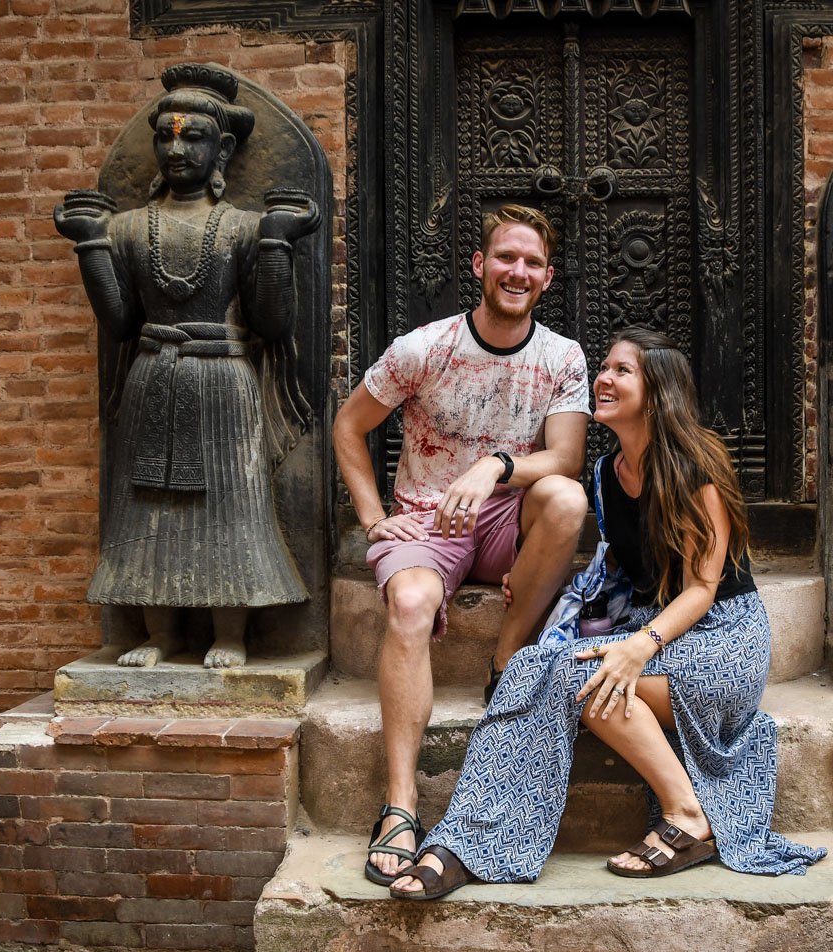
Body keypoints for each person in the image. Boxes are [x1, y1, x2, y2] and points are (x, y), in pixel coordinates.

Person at [388, 327, 826, 901]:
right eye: (605, 368)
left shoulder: (698, 469)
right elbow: (617, 571)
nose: (604, 378)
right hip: (657, 633)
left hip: (723, 640)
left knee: (583, 676)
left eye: (622, 370)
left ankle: (688, 814)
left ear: (658, 390)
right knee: (532, 669)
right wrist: (563, 605)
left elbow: (701, 588)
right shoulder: (604, 473)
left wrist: (637, 645)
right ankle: (468, 844)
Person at [332, 204, 590, 885]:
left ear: (547, 278)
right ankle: (400, 805)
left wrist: (496, 466)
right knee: (410, 607)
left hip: (507, 521)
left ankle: (506, 657)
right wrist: (371, 516)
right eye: (506, 257)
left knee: (568, 500)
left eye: (532, 263)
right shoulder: (425, 348)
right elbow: (349, 426)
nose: (518, 271)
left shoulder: (562, 357)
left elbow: (563, 457)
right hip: (425, 523)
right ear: (479, 266)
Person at [53, 64, 320, 669]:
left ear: (222, 147)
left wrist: (277, 241)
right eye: (166, 136)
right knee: (150, 506)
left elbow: (272, 323)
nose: (177, 149)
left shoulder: (242, 227)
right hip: (153, 373)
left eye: (193, 137)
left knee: (231, 504)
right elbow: (119, 322)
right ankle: (160, 634)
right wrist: (92, 245)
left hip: (223, 377)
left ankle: (231, 632)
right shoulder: (126, 229)